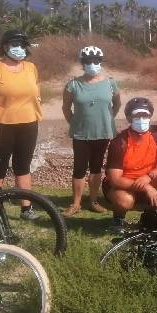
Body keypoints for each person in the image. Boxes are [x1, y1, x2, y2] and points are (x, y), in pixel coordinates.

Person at [0, 30, 42, 219]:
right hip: (0, 125)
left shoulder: (31, 67)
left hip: (29, 124)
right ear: (5, 46)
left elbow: (36, 91)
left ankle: (26, 209)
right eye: (15, 44)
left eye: (23, 45)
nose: (19, 49)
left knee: (23, 166)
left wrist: (38, 111)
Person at [104, 97, 157, 233]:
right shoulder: (118, 142)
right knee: (125, 200)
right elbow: (114, 179)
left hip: (149, 179)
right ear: (128, 118)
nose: (141, 119)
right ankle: (118, 218)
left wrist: (149, 177)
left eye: (145, 115)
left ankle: (151, 214)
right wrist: (145, 187)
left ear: (150, 115)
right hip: (123, 185)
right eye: (136, 115)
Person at [61, 46, 121, 216]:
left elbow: (117, 104)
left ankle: (93, 201)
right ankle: (76, 204)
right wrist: (74, 122)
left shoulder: (110, 83)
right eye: (88, 61)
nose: (92, 64)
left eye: (96, 61)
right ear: (82, 63)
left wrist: (108, 119)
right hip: (80, 133)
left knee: (96, 168)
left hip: (103, 133)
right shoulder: (73, 85)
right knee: (79, 168)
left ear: (100, 62)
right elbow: (66, 108)